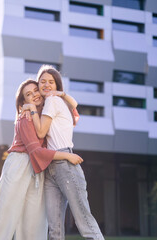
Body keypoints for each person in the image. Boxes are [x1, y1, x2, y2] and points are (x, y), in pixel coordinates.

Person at [0, 79, 83, 240]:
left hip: (38, 170)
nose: (34, 95)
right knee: (3, 217)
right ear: (23, 101)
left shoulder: (46, 115)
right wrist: (68, 155)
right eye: (28, 94)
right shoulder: (25, 117)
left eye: (35, 90)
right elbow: (36, 151)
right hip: (19, 164)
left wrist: (60, 94)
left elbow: (73, 115)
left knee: (34, 221)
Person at [22, 65, 104, 240]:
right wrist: (61, 95)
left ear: (57, 85)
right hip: (51, 166)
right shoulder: (54, 103)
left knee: (84, 222)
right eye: (42, 81)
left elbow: (41, 132)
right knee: (54, 229)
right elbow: (74, 105)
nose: (46, 85)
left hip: (64, 165)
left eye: (51, 82)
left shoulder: (52, 101)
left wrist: (32, 109)